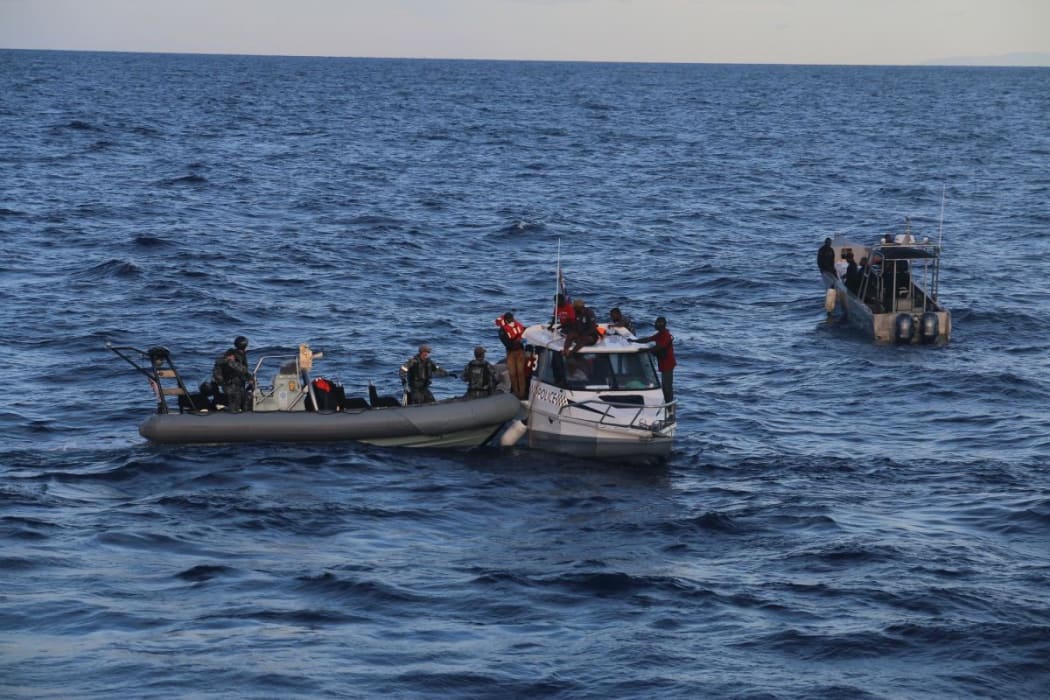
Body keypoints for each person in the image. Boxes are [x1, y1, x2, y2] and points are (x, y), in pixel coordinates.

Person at [633, 316, 676, 404]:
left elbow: (658, 347)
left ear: (661, 325)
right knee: (665, 386)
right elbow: (648, 339)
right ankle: (667, 403)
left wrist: (644, 350)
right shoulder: (660, 334)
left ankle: (668, 405)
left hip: (668, 364)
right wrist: (635, 341)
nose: (655, 324)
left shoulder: (666, 336)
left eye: (656, 323)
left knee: (667, 387)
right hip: (663, 364)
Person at [495, 311, 528, 399]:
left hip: (520, 351)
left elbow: (524, 331)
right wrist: (516, 341)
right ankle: (516, 392)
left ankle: (522, 393)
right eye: (509, 320)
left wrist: (520, 339)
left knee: (520, 373)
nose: (511, 322)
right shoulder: (502, 331)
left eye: (512, 319)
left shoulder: (518, 326)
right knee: (513, 373)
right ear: (506, 321)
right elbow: (507, 343)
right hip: (510, 352)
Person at [212, 348, 252, 412]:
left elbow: (243, 373)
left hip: (236, 386)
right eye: (233, 356)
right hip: (229, 386)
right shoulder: (226, 363)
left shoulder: (223, 363)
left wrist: (249, 379)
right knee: (235, 400)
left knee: (245, 397)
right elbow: (242, 370)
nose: (233, 358)